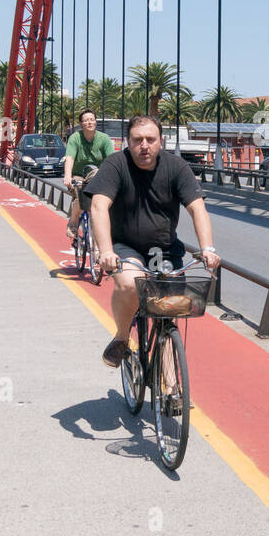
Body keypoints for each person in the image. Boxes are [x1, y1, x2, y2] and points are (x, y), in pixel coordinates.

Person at [85, 113, 220, 368]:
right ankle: (122, 338)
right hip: (126, 246)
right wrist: (105, 251)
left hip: (165, 250)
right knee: (128, 284)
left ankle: (170, 391)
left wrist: (207, 249)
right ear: (128, 142)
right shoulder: (115, 165)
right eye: (137, 140)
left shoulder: (176, 167)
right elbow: (99, 206)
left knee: (166, 317)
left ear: (161, 142)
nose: (144, 145)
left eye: (150, 139)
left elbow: (197, 208)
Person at [63, 109, 114, 239]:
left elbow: (111, 161)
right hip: (79, 175)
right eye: (86, 120)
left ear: (96, 122)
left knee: (101, 204)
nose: (89, 122)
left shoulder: (104, 139)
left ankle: (98, 248)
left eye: (92, 119)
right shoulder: (75, 138)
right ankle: (73, 222)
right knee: (81, 196)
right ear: (81, 124)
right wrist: (67, 175)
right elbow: (70, 157)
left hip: (97, 176)